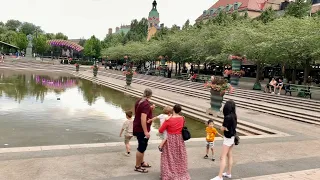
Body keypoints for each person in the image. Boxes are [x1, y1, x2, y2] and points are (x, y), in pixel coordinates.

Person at [159, 104, 191, 180]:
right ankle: (180, 172)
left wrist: (167, 119)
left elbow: (160, 130)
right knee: (179, 156)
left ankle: (169, 173)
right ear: (180, 111)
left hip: (170, 139)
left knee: (169, 157)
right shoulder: (182, 118)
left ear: (173, 110)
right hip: (179, 139)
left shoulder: (168, 120)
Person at [211, 100, 238, 180]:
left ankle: (219, 176)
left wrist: (220, 128)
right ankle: (228, 173)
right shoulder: (234, 115)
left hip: (228, 138)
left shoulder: (227, 117)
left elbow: (222, 128)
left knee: (222, 157)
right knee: (229, 155)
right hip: (233, 137)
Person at [133, 88, 154, 173]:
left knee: (143, 146)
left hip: (137, 126)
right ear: (150, 95)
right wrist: (145, 131)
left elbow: (139, 112)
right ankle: (137, 166)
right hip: (141, 129)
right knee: (141, 147)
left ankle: (141, 162)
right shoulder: (146, 104)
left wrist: (150, 109)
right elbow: (143, 118)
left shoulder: (139, 101)